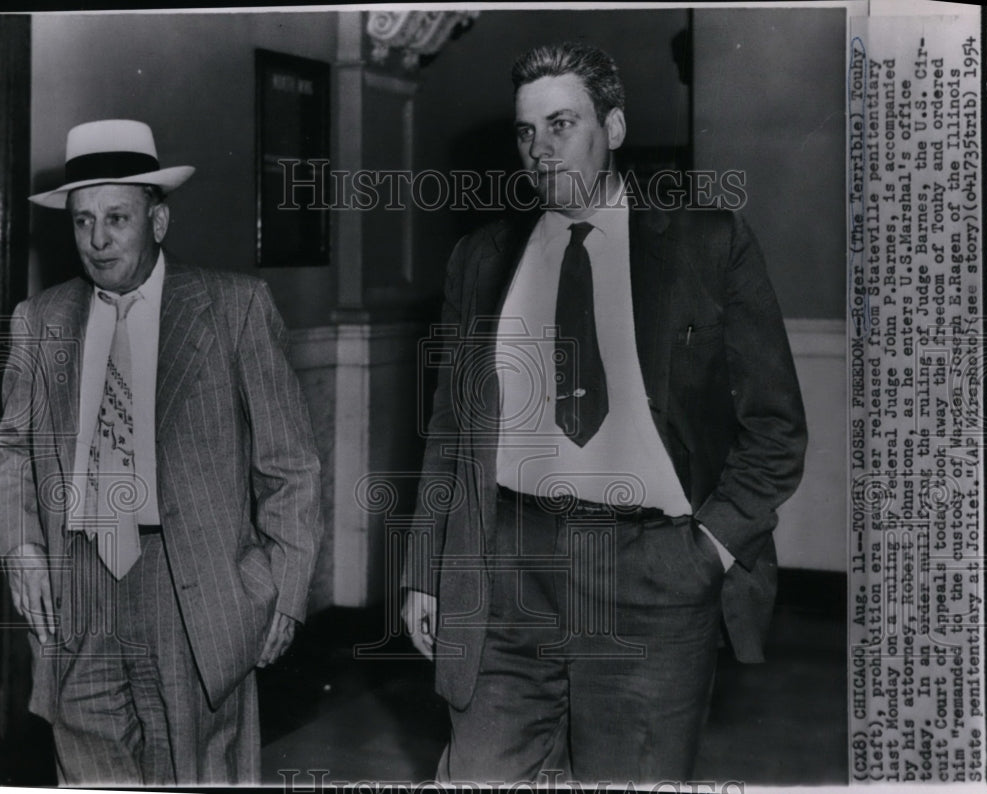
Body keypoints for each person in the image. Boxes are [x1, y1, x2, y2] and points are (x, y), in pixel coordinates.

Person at [401, 43, 807, 784]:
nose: (541, 149)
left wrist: (706, 551)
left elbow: (776, 431)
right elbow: (452, 430)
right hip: (504, 569)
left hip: (650, 574)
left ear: (613, 128)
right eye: (527, 132)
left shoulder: (706, 245)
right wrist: (427, 568)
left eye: (563, 123)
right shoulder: (480, 258)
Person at [0, 119, 321, 785]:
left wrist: (280, 591)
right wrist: (20, 546)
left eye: (117, 217)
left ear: (159, 220)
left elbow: (289, 464)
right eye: (83, 220)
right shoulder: (42, 319)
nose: (97, 239)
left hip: (196, 598)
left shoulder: (232, 308)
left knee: (198, 773)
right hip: (79, 591)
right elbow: (12, 446)